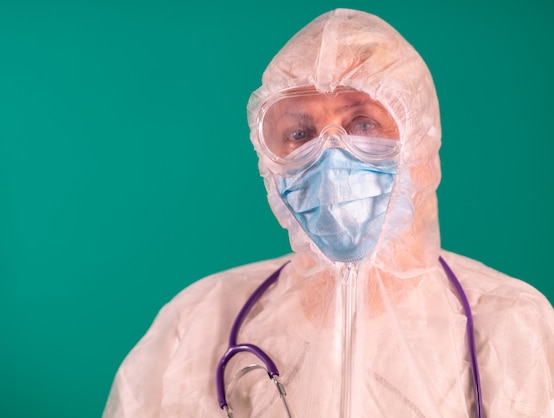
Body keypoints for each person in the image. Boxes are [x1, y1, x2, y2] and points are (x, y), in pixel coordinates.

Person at [102, 9, 554, 417]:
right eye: (301, 132)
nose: (330, 155)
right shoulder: (197, 324)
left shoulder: (511, 323)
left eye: (363, 123)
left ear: (421, 145)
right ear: (269, 159)